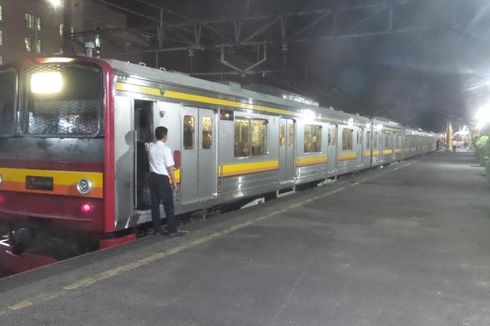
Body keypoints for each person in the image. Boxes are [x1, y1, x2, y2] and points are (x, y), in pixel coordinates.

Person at [145, 126, 181, 237]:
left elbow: (147, 143)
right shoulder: (165, 149)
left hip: (152, 178)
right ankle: (172, 230)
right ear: (165, 136)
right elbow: (170, 167)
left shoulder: (150, 147)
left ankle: (157, 230)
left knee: (155, 205)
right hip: (162, 179)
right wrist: (174, 182)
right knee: (168, 205)